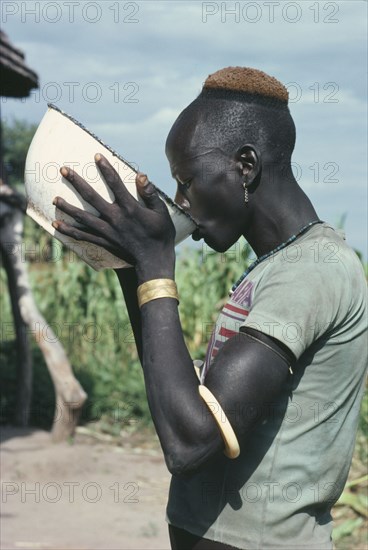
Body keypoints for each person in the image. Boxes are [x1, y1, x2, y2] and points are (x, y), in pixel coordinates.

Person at [52, 67, 367, 550]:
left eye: (186, 181)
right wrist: (131, 268)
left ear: (246, 166)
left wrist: (157, 267)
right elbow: (187, 400)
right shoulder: (276, 267)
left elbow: (189, 441)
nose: (181, 202)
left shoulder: (313, 269)